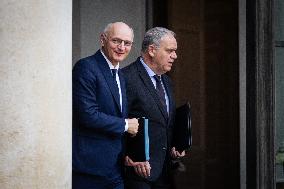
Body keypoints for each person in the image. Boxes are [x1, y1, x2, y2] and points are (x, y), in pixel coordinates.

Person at [72, 22, 139, 189]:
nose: (122, 47)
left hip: (115, 168)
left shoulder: (120, 75)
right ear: (103, 40)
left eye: (127, 43)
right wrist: (125, 125)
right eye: (116, 41)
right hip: (90, 169)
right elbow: (87, 115)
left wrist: (126, 154)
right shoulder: (86, 67)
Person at [122, 27, 186, 189]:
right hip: (137, 175)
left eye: (175, 51)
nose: (175, 56)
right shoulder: (126, 78)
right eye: (170, 50)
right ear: (152, 50)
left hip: (165, 173)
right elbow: (117, 121)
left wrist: (175, 146)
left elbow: (163, 123)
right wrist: (128, 156)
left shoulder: (167, 81)